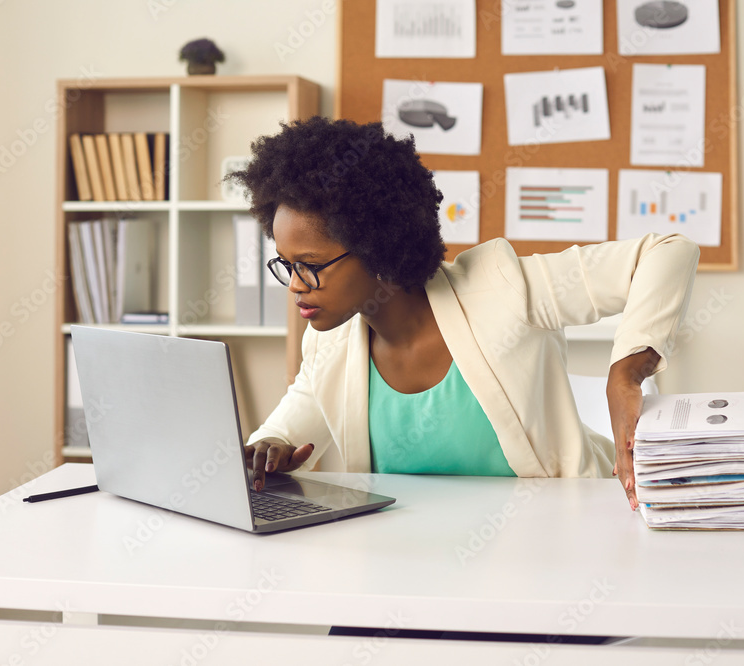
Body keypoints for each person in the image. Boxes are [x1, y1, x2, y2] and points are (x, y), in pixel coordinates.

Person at [228, 116, 699, 510]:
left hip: (551, 548)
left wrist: (627, 372)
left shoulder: (502, 288)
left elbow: (667, 252)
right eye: (287, 266)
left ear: (377, 245)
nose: (294, 285)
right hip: (405, 566)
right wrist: (267, 448)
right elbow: (285, 430)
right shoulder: (329, 340)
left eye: (310, 266)